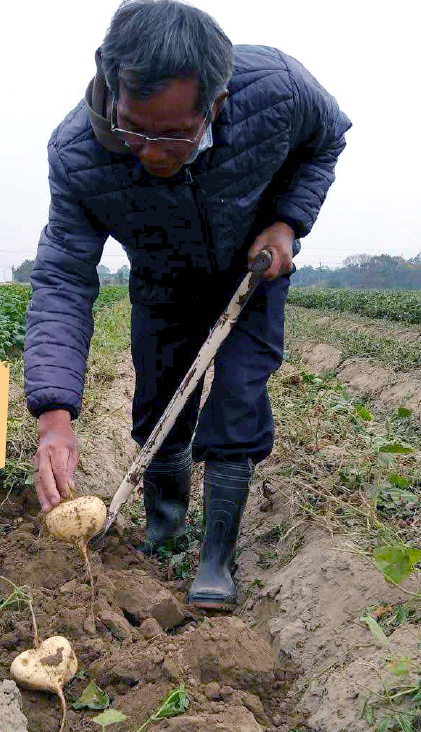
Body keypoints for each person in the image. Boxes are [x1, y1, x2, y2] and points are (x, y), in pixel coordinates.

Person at [23, 0, 351, 610]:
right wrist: (54, 413)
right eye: (135, 128)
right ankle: (162, 533)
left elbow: (326, 140)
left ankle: (216, 558)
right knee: (158, 408)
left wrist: (285, 224)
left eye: (174, 134)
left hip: (249, 275)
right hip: (162, 279)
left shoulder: (278, 89)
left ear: (217, 104)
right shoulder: (78, 154)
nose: (150, 152)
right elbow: (64, 276)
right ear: (114, 84)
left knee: (238, 398)